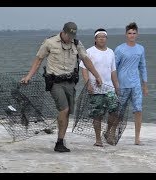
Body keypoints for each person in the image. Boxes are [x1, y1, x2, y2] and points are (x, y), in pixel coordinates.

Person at [21, 22, 102, 152]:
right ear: (63, 32)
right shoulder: (50, 42)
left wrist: (97, 76)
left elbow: (86, 60)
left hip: (70, 82)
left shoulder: (76, 43)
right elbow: (38, 60)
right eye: (68, 35)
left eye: (72, 35)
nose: (70, 38)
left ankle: (60, 141)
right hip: (55, 82)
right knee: (64, 109)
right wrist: (28, 76)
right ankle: (59, 143)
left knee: (68, 112)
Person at [79, 28, 120, 147]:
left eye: (104, 37)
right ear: (95, 39)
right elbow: (84, 69)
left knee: (115, 111)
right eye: (99, 37)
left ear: (106, 39)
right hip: (95, 89)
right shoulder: (89, 52)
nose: (102, 39)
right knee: (98, 114)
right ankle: (98, 139)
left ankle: (108, 132)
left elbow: (113, 71)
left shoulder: (111, 52)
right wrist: (88, 84)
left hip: (109, 88)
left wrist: (117, 86)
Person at [114, 22, 148, 145]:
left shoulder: (140, 49)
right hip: (122, 84)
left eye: (134, 33)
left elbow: (143, 67)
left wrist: (145, 84)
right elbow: (114, 68)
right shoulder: (119, 49)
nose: (132, 35)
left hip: (136, 85)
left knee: (138, 110)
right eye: (129, 33)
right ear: (126, 34)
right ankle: (112, 134)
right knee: (119, 111)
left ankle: (137, 138)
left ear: (137, 34)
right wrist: (115, 84)